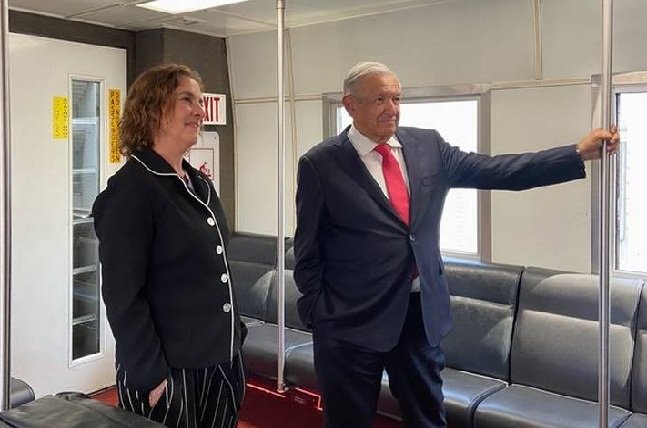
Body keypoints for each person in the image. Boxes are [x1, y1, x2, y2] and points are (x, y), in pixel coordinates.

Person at [292, 61, 619, 428]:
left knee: (428, 420)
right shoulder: (321, 164)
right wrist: (322, 316)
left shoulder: (427, 146)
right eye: (380, 99)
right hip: (350, 325)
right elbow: (307, 251)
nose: (392, 108)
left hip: (419, 319)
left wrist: (576, 154)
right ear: (350, 105)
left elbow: (498, 170)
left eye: (397, 98)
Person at [92, 63, 245, 428]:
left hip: (219, 362)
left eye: (199, 101)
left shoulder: (199, 185)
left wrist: (235, 340)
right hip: (168, 371)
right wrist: (150, 374)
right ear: (153, 108)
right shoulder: (132, 191)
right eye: (186, 99)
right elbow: (123, 296)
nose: (199, 110)